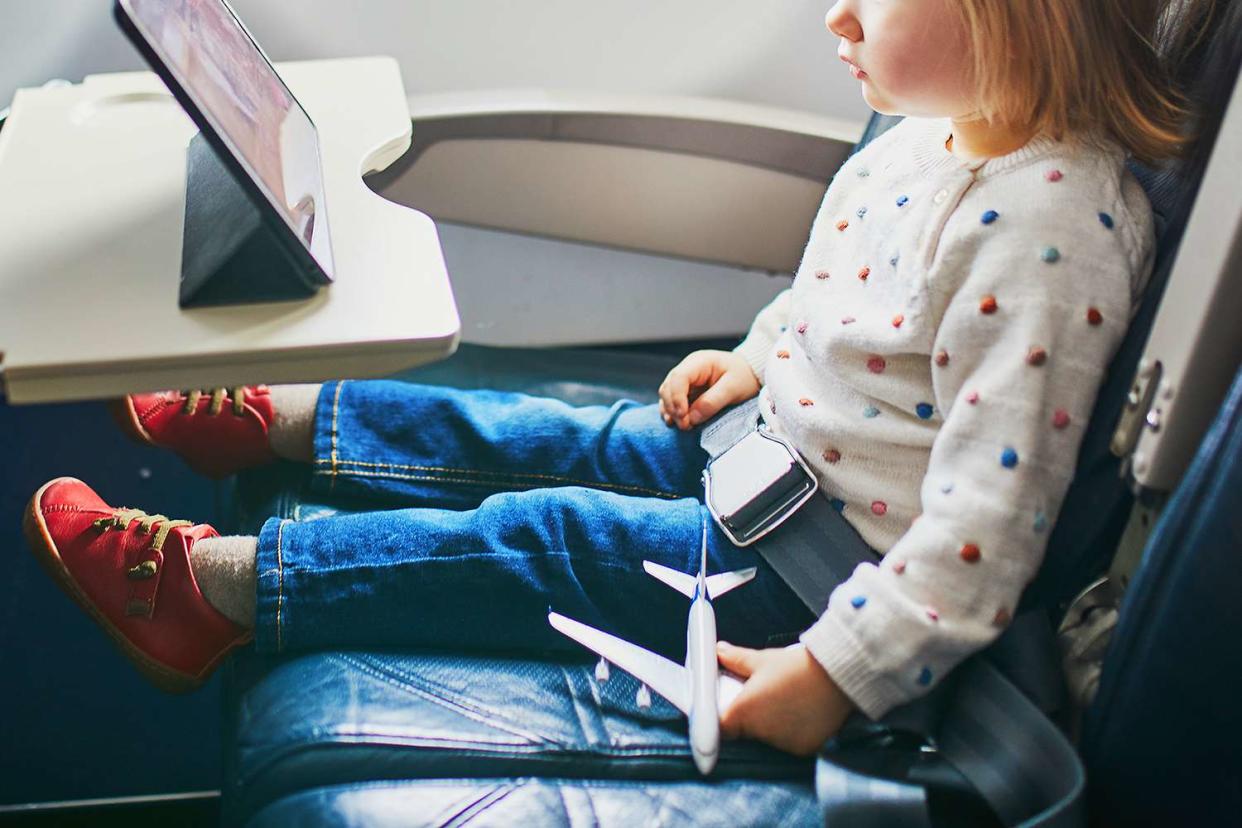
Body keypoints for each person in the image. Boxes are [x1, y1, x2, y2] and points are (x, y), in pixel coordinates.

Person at [25, 0, 1204, 758]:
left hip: (817, 572)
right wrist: (756, 353)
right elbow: (851, 297)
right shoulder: (936, 133)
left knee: (548, 532)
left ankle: (208, 595)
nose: (838, 16)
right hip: (773, 461)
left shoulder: (1053, 229)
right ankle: (273, 422)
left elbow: (986, 527)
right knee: (534, 431)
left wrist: (837, 674)